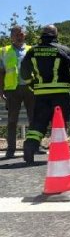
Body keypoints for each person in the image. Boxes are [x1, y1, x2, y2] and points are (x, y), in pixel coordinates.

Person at [19, 24, 70, 164]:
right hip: (60, 93)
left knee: (38, 123)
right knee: (59, 123)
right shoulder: (63, 50)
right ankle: (59, 152)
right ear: (56, 35)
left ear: (43, 35)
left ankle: (30, 146)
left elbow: (23, 71)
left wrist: (32, 83)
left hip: (41, 94)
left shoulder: (33, 51)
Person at [0, 25, 35, 159]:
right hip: (12, 90)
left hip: (29, 88)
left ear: (24, 35)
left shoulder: (31, 50)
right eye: (15, 34)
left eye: (20, 34)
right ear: (11, 36)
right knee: (12, 120)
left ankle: (34, 146)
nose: (18, 36)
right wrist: (1, 89)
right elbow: (1, 72)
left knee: (33, 118)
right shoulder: (4, 51)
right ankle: (11, 149)